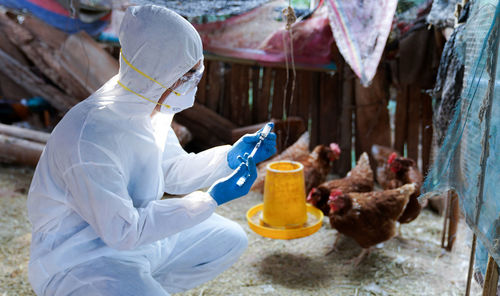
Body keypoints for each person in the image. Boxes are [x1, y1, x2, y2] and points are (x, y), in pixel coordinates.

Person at [27, 5, 276, 296]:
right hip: (81, 260)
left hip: (139, 241)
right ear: (160, 72)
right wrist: (209, 200)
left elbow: (171, 171)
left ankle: (140, 286)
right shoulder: (89, 139)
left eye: (198, 71)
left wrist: (228, 157)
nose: (195, 82)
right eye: (189, 75)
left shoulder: (146, 106)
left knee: (230, 238)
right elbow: (122, 231)